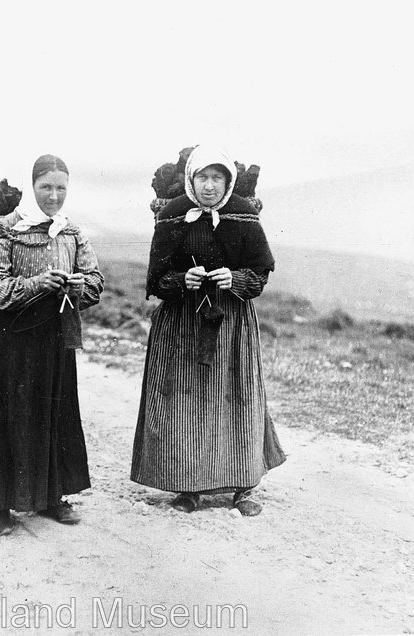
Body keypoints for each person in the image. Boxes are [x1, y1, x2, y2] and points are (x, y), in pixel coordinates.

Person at [0, 154, 104, 536]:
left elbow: (97, 280)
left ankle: (51, 497)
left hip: (53, 337)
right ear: (33, 187)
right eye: (46, 187)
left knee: (51, 414)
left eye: (61, 188)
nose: (53, 196)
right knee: (6, 414)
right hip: (7, 339)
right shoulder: (8, 230)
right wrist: (37, 285)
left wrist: (80, 286)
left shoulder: (71, 233)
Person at [130, 144, 286, 516]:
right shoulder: (172, 216)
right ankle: (187, 486)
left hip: (231, 323)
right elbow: (156, 281)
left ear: (228, 181)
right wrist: (182, 279)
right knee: (184, 401)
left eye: (218, 177)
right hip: (182, 324)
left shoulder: (244, 217)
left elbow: (259, 275)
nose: (210, 186)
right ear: (191, 179)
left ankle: (243, 486)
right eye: (203, 177)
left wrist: (235, 278)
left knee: (236, 397)